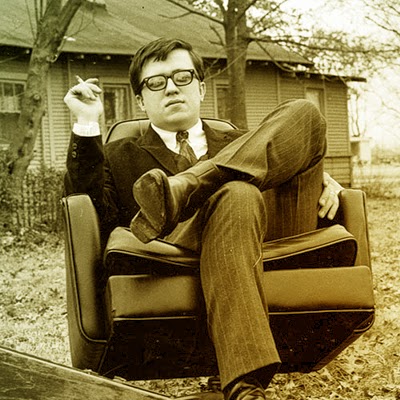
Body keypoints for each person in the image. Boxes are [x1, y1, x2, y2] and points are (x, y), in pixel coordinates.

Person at [64, 37, 343, 400]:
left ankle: (189, 185)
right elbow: (88, 207)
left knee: (306, 113)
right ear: (140, 100)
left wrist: (321, 177)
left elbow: (299, 154)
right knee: (239, 193)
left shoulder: (248, 143)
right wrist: (87, 123)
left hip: (263, 238)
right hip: (174, 247)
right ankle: (244, 387)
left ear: (201, 87)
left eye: (182, 77)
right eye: (156, 82)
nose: (171, 88)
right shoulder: (118, 155)